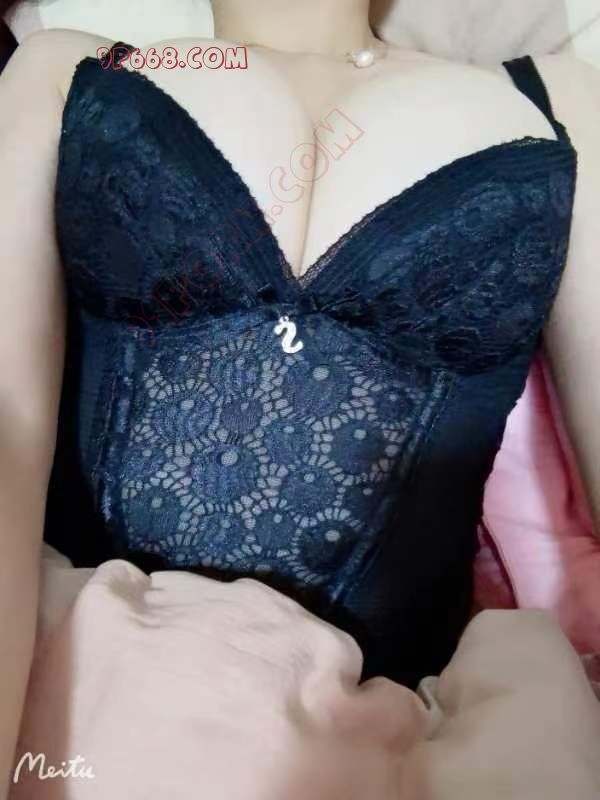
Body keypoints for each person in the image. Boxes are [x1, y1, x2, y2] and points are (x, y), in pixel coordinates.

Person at [0, 0, 599, 795]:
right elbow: (6, 428)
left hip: (394, 735)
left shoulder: (564, 99)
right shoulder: (66, 68)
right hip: (81, 684)